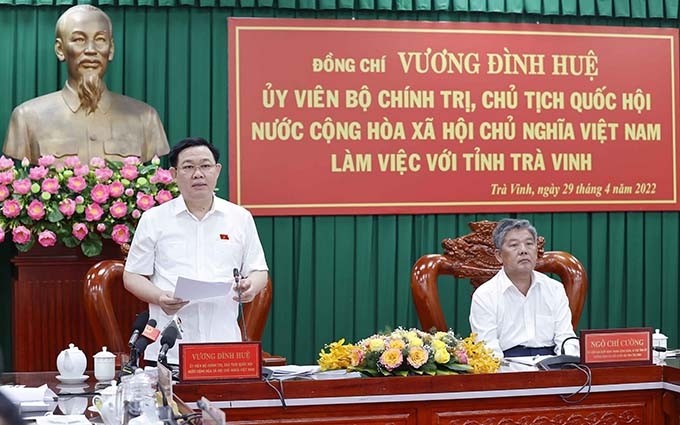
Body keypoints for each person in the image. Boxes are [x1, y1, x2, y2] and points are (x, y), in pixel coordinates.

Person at [123, 137, 269, 365]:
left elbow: (259, 271)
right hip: (168, 348)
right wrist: (159, 297)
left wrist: (250, 287)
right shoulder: (154, 219)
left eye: (205, 166)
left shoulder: (240, 218)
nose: (198, 174)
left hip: (224, 347)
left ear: (217, 170)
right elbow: (131, 276)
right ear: (173, 173)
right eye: (189, 167)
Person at [2, 5, 169, 164]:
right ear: (60, 49)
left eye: (100, 39)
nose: (91, 49)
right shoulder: (27, 117)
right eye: (79, 39)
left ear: (110, 50)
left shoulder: (145, 118)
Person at [469, 218, 578, 359]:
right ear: (499, 256)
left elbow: (565, 337)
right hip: (507, 368)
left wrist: (569, 362)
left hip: (551, 367)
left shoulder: (554, 289)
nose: (523, 251)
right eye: (514, 245)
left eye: (529, 244)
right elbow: (487, 348)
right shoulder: (484, 295)